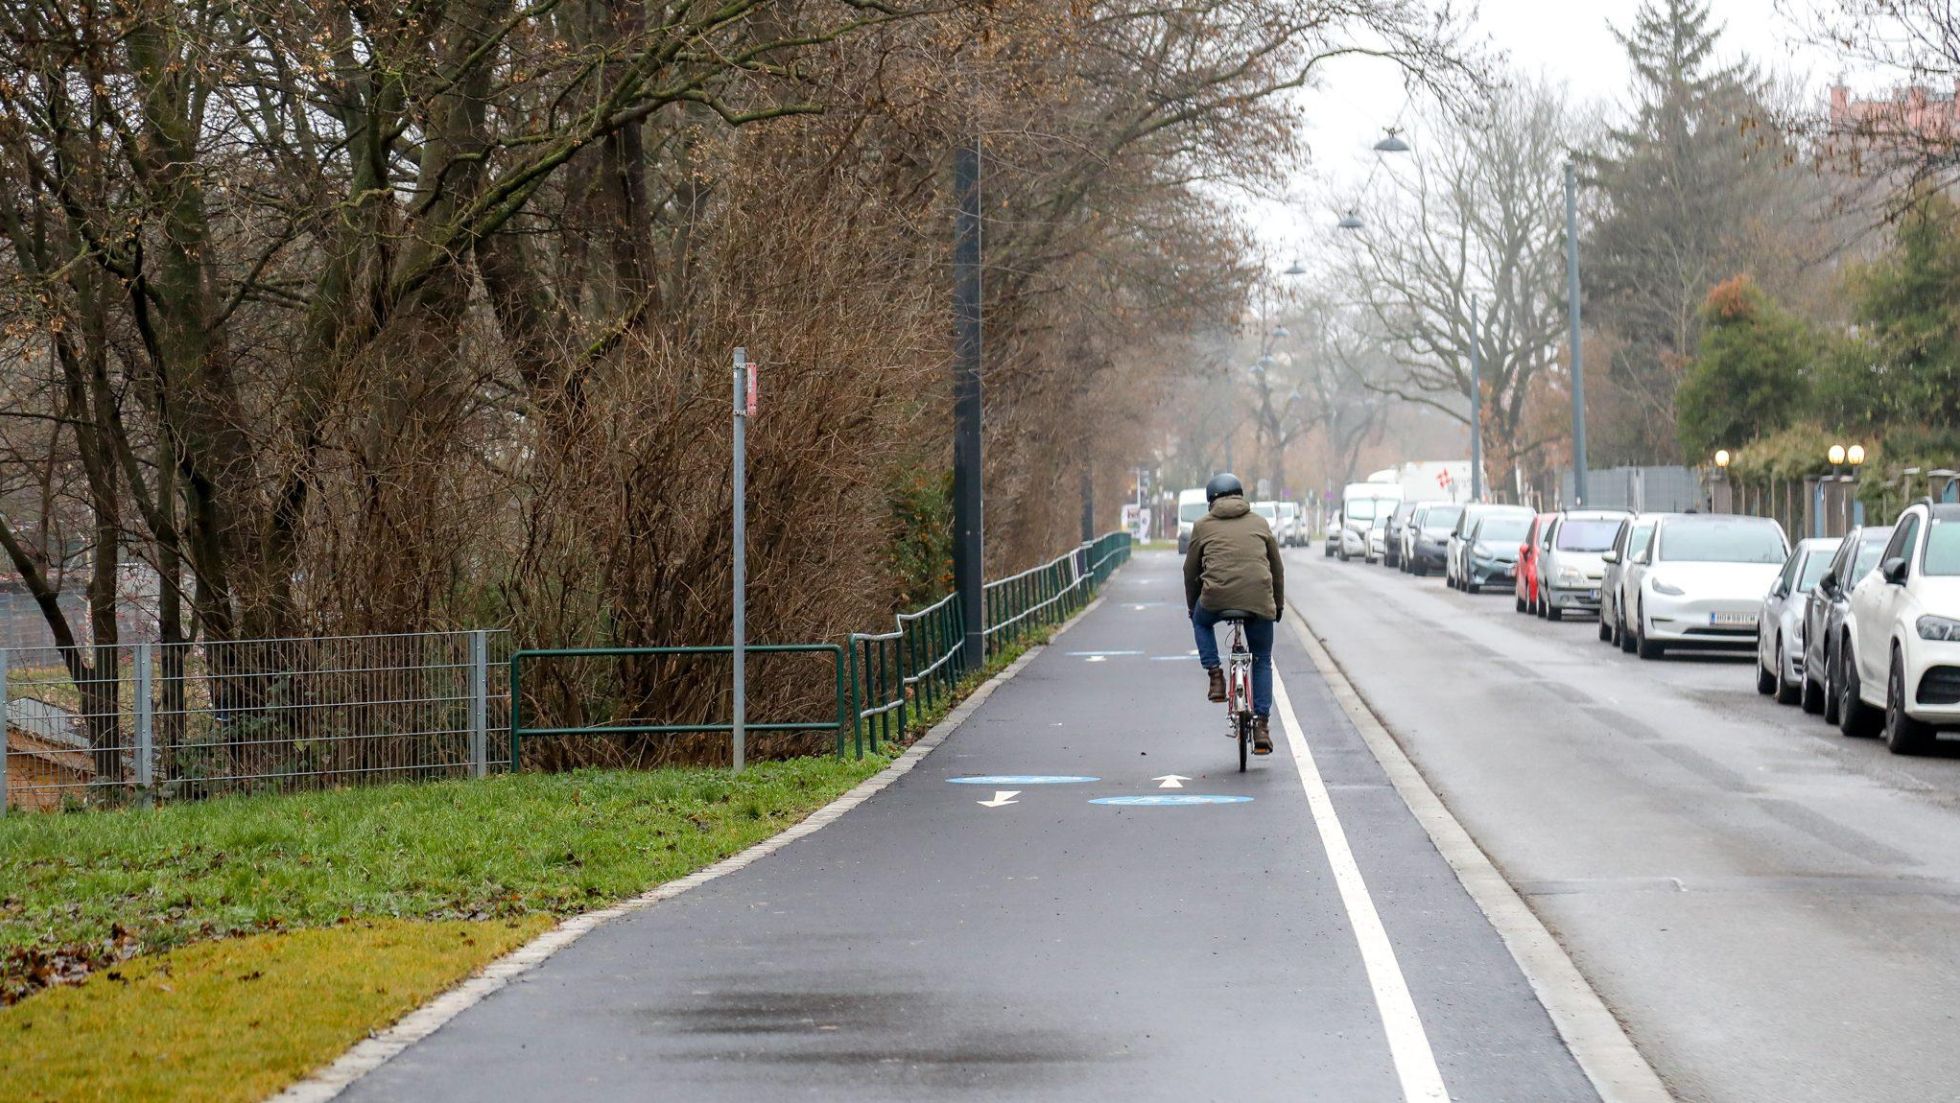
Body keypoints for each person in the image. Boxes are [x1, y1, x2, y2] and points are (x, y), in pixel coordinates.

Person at [1183, 472, 1284, 754]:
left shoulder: (1202, 526)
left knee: (1201, 622)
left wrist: (1194, 607)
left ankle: (1215, 676)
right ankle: (1262, 725)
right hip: (1259, 600)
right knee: (1262, 659)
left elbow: (1189, 570)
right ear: (1240, 495)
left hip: (1215, 598)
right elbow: (1277, 568)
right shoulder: (1260, 523)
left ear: (1211, 501)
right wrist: (1277, 605)